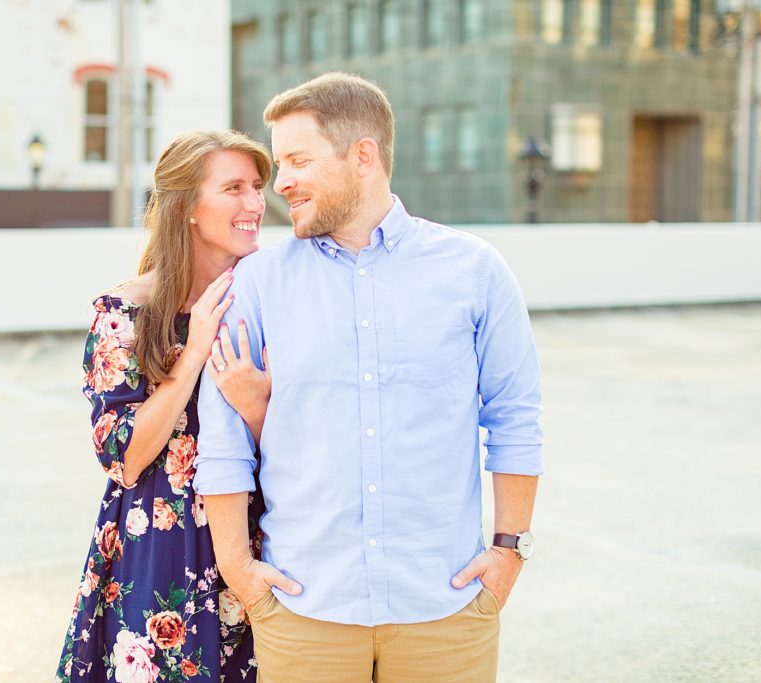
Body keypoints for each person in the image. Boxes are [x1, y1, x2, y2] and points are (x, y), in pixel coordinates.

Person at [194, 73, 544, 682]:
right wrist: (239, 573)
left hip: (447, 606)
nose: (282, 184)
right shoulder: (256, 284)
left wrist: (509, 551)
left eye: (298, 160)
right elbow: (221, 442)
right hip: (304, 609)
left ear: (363, 155)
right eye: (280, 164)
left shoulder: (475, 271)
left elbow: (515, 416)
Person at [57, 130, 274, 683]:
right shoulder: (124, 314)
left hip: (259, 540)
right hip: (159, 551)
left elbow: (312, 435)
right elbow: (124, 458)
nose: (255, 204)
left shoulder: (271, 302)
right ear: (188, 209)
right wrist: (193, 351)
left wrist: (256, 409)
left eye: (256, 187)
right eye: (233, 188)